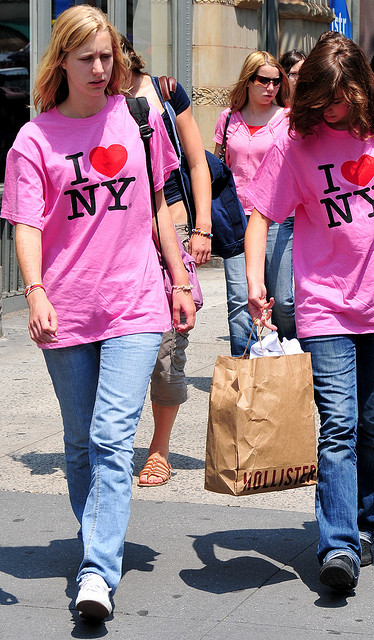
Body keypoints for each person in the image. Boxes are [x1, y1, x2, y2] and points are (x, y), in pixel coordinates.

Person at [0, 6, 195, 620]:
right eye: (86, 57)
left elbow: (161, 203)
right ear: (61, 62)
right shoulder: (34, 140)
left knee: (112, 438)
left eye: (107, 56)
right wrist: (34, 291)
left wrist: (180, 280)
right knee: (80, 442)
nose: (100, 68)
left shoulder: (138, 117)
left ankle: (96, 571)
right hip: (66, 308)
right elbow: (26, 225)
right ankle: (96, 540)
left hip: (135, 302)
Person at [244, 35, 374, 592]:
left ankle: (364, 525)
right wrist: (258, 284)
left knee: (371, 427)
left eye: (341, 96)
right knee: (337, 426)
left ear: (359, 84)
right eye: (323, 98)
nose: (332, 109)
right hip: (325, 304)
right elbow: (261, 215)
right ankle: (337, 545)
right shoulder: (295, 141)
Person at [121, 37, 212, 487]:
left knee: (168, 348)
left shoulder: (163, 91)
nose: (100, 70)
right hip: (118, 240)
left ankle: (159, 449)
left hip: (170, 229)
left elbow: (197, 164)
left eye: (107, 58)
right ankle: (116, 444)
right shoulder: (86, 105)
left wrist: (202, 227)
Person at [213, 51, 296, 356]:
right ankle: (244, 364)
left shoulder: (287, 119)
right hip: (236, 218)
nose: (270, 87)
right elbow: (219, 167)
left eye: (276, 81)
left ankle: (288, 356)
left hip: (276, 216)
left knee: (283, 300)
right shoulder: (228, 118)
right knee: (239, 298)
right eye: (263, 80)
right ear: (248, 81)